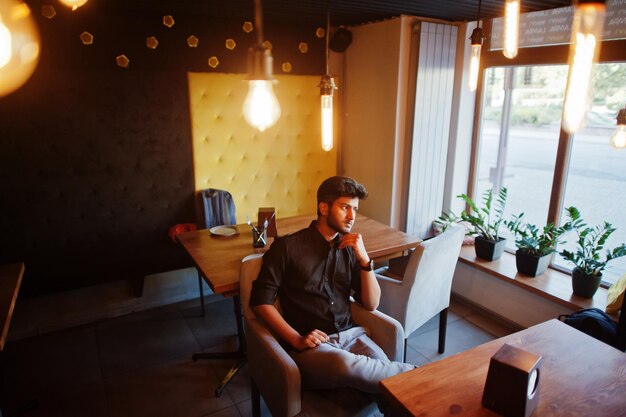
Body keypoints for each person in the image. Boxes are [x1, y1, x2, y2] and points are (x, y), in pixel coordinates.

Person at [250, 175, 414, 403]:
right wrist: (297, 339)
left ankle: (412, 387)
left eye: (355, 209)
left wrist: (365, 261)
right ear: (324, 207)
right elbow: (260, 302)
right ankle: (417, 375)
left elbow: (371, 303)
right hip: (314, 347)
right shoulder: (288, 247)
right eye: (345, 207)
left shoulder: (350, 248)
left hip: (353, 335)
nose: (352, 216)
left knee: (390, 388)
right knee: (348, 365)